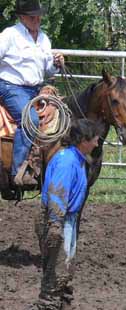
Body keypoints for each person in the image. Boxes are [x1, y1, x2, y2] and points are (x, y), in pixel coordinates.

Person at [23, 119, 100, 310]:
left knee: (63, 261)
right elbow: (57, 193)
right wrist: (55, 223)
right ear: (83, 140)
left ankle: (59, 302)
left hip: (66, 218)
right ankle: (48, 307)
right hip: (60, 218)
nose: (97, 142)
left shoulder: (75, 158)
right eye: (94, 138)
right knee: (57, 262)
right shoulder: (68, 161)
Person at [0, 0, 64, 189]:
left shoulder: (43, 38)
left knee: (63, 114)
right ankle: (18, 170)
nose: (37, 19)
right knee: (30, 119)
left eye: (38, 15)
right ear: (21, 17)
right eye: (32, 16)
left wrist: (56, 63)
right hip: (11, 86)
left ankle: (47, 166)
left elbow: (48, 70)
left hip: (36, 88)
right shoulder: (9, 35)